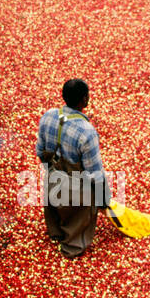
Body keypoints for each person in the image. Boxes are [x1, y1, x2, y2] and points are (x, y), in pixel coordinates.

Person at [36, 79, 110, 259]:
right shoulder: (86, 131)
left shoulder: (48, 116)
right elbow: (94, 174)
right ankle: (72, 244)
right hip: (74, 190)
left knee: (54, 191)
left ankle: (56, 231)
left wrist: (51, 172)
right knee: (85, 203)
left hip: (53, 181)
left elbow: (40, 152)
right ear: (84, 99)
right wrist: (103, 200)